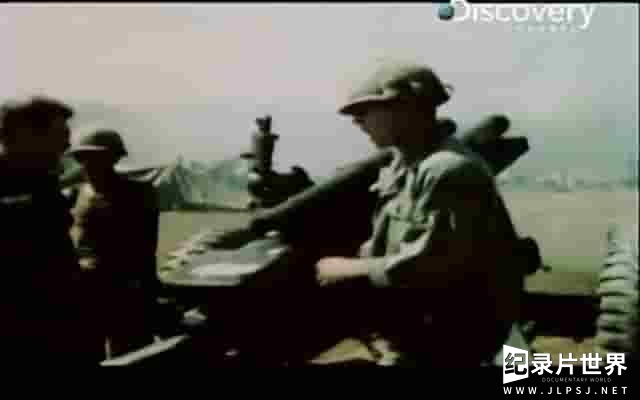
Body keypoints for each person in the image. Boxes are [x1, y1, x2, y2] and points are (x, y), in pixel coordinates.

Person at [314, 61, 525, 367]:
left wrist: (344, 269)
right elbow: (385, 242)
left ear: (406, 109)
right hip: (417, 324)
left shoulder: (447, 171)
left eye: (366, 111)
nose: (358, 122)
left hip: (452, 336)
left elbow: (428, 264)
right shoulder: (402, 166)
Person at [0, 96, 100, 365]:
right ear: (24, 135)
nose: (66, 146)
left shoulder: (41, 183)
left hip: (59, 329)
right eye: (59, 136)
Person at [67, 129, 160, 359]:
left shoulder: (138, 193)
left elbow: (145, 246)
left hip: (125, 289)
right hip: (85, 288)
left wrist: (144, 286)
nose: (89, 164)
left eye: (99, 158)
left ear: (115, 158)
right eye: (84, 158)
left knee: (132, 355)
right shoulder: (76, 194)